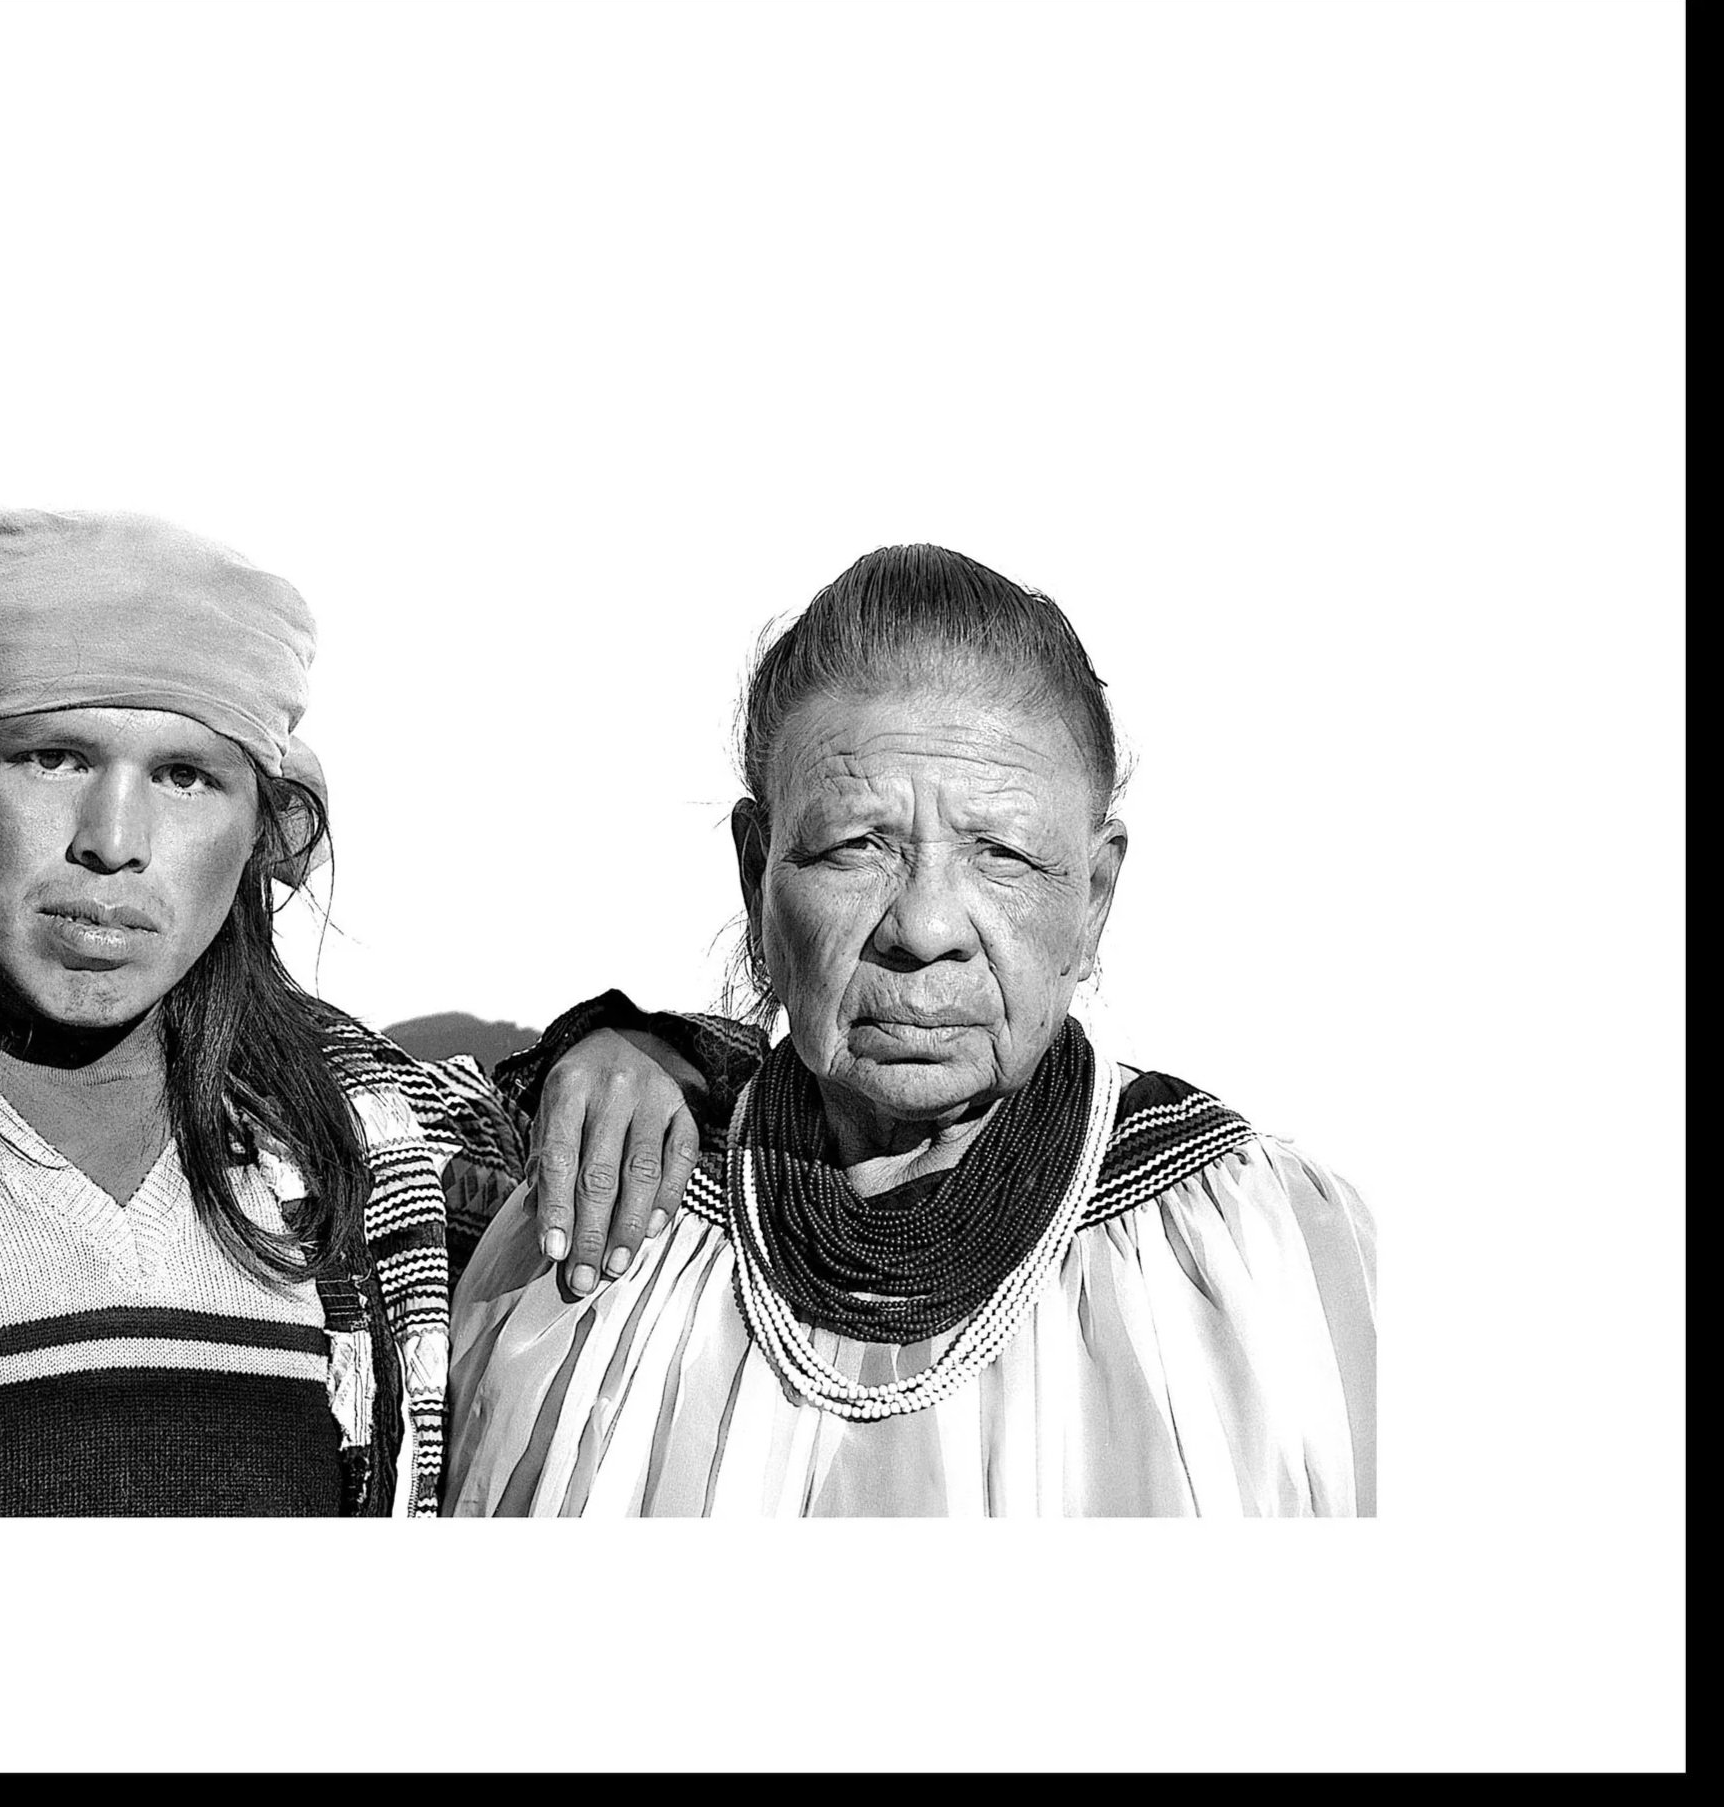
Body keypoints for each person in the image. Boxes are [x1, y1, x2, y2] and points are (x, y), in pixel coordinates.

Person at [0, 507, 719, 1517]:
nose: (113, 837)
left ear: (257, 826)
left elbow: (745, 1121)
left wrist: (639, 1047)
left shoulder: (347, 1126)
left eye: (186, 776)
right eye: (51, 755)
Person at [446, 544, 1378, 1517]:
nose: (924, 927)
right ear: (754, 870)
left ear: (1093, 894)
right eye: (856, 845)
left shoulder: (1268, 1266)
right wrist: (619, 1038)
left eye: (1002, 855)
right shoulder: (599, 1237)